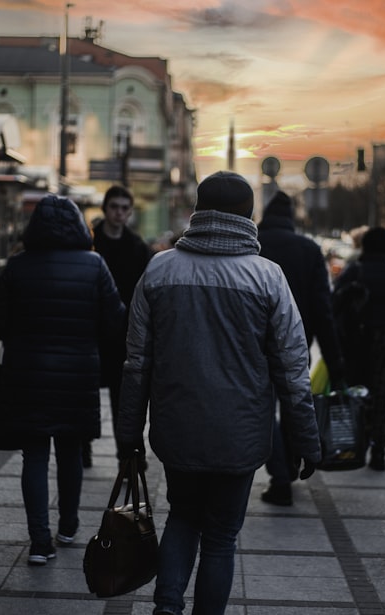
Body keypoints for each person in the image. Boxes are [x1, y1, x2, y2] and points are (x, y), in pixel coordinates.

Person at [116, 171, 321, 615]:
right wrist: (305, 438)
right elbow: (293, 368)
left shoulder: (160, 269)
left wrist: (128, 433)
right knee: (222, 537)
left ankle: (166, 607)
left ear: (198, 210)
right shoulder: (268, 277)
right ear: (249, 215)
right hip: (240, 435)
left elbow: (136, 363)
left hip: (178, 429)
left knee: (182, 516)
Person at [0, 195, 124, 566]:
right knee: (69, 451)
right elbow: (115, 322)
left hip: (27, 374)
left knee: (34, 455)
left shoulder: (18, 266)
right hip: (77, 374)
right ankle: (68, 524)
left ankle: (39, 542)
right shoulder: (95, 266)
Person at [256, 190, 344, 506]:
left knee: (265, 411)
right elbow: (324, 309)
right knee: (293, 405)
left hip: (255, 345)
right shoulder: (308, 250)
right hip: (296, 343)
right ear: (291, 217)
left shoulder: (254, 244)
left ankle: (280, 477)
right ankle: (292, 461)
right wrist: (335, 362)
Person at [333, 227, 385, 471]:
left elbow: (334, 302)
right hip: (384, 340)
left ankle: (355, 447)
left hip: (355, 339)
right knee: (381, 396)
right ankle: (379, 451)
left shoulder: (355, 272)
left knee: (356, 393)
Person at [90, 185, 153, 468]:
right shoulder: (89, 243)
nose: (119, 212)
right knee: (86, 394)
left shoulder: (137, 248)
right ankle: (82, 447)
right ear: (105, 209)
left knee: (123, 398)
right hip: (90, 332)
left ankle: (127, 456)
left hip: (123, 336)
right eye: (114, 206)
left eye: (124, 208)